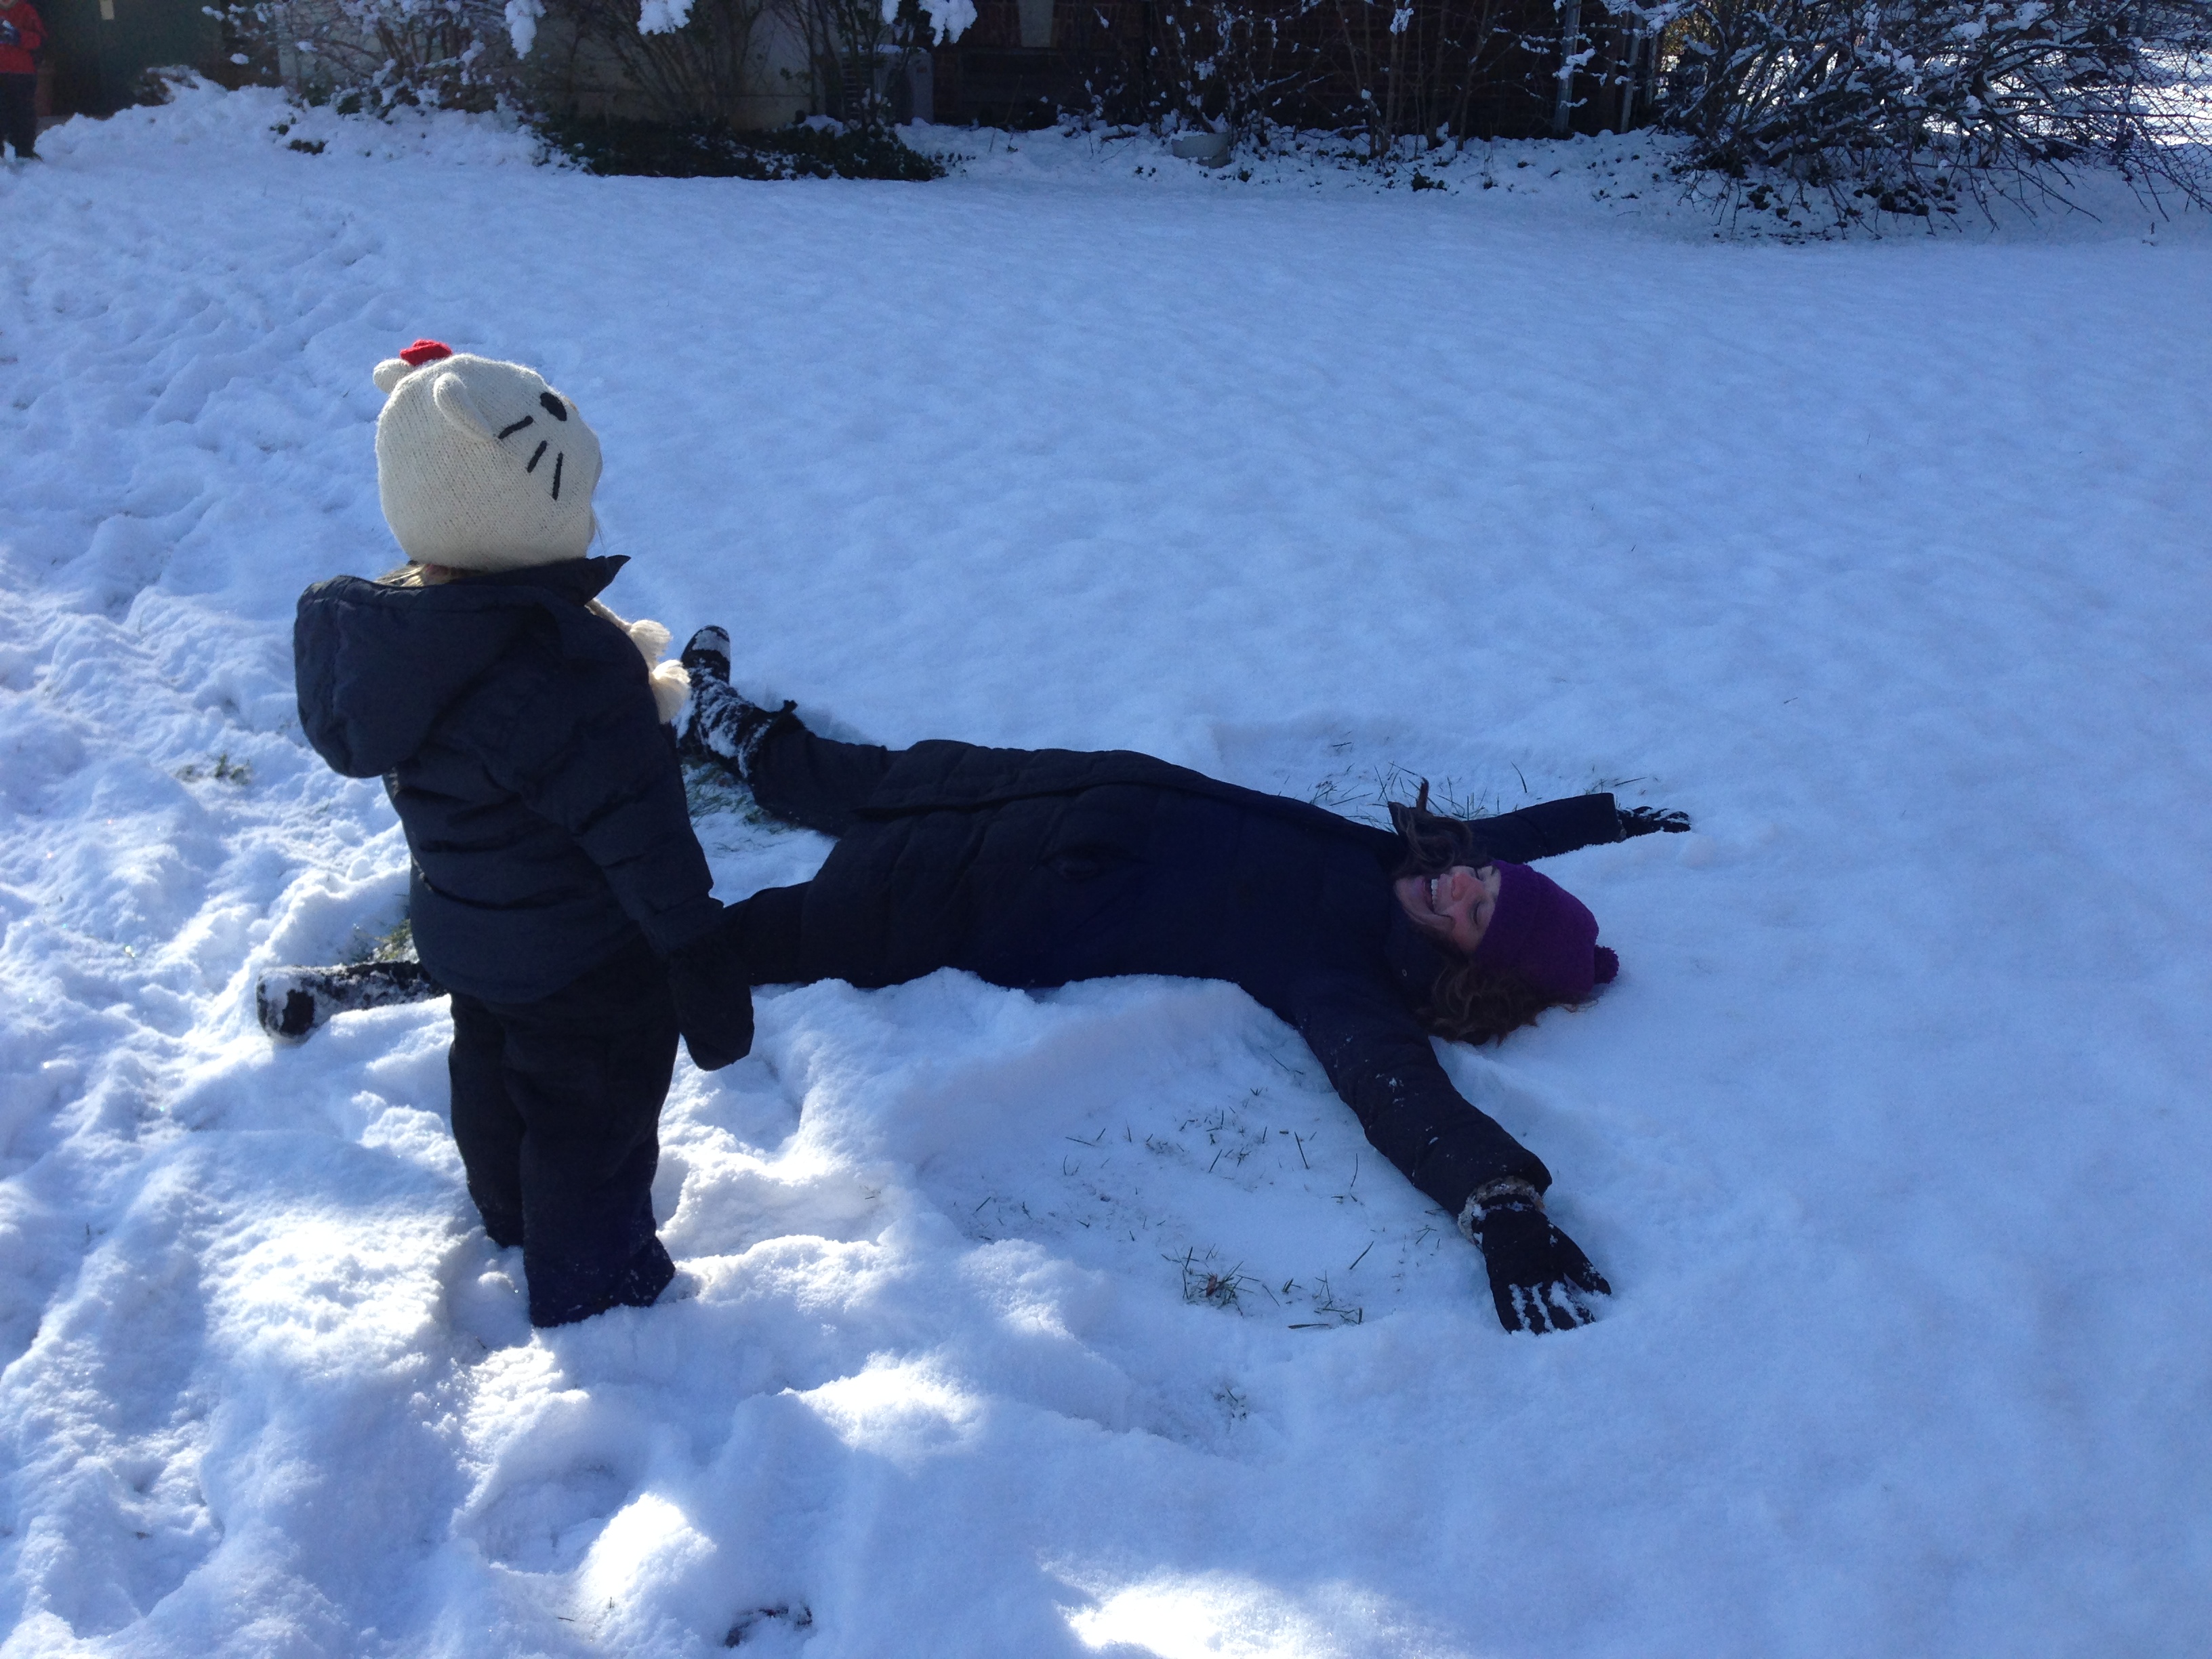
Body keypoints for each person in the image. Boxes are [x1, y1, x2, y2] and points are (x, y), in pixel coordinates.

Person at [677, 628, 1689, 1334]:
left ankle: (615, 933)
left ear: (1462, 969)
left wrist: (1500, 1205)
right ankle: (716, 723)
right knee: (846, 776)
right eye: (1481, 880)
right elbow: (1499, 839)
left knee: (754, 938)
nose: (1460, 884)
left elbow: (1391, 1082)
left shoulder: (1345, 969)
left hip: (1000, 893)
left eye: (1473, 914)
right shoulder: (1403, 865)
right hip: (1032, 789)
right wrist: (1601, 818)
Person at [293, 341, 752, 1328]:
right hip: (586, 956)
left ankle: (508, 1209)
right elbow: (641, 837)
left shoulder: (410, 638)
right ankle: (599, 1287)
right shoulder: (567, 672)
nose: (586, 522)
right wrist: (697, 954)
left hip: (471, 930)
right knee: (593, 1114)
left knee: (493, 1069)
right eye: (569, 503)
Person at [0, 0, 45, 163]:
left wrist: (19, 36)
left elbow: (39, 39)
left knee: (24, 114)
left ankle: (25, 153)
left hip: (23, 73)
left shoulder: (27, 10)